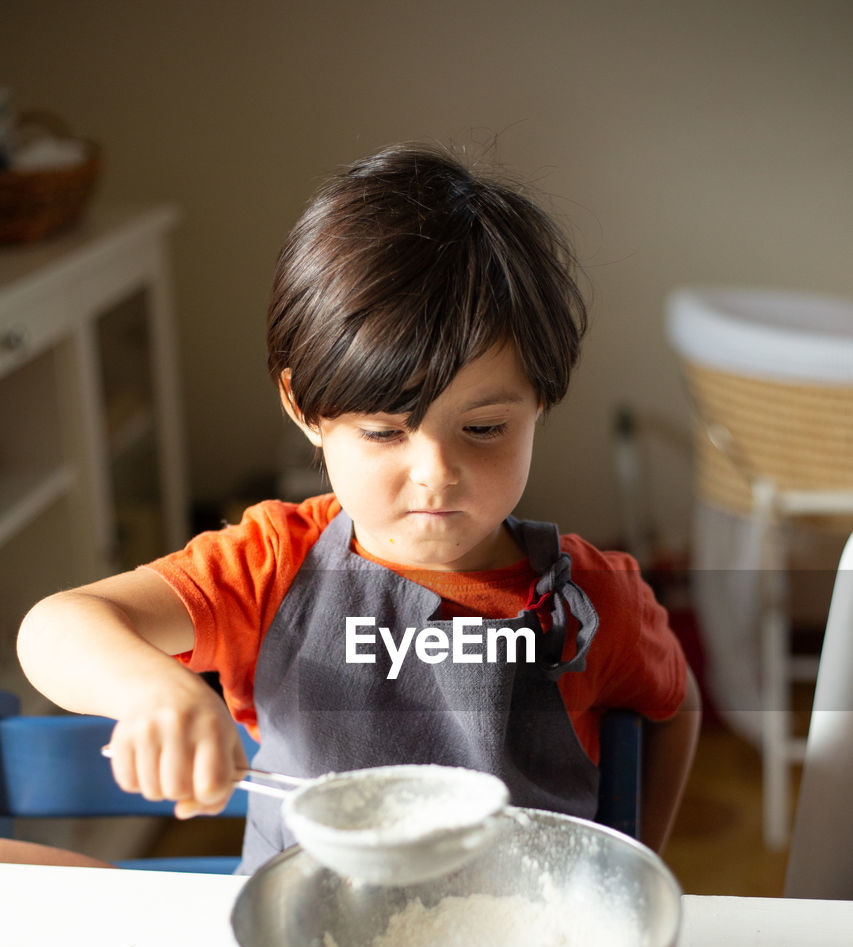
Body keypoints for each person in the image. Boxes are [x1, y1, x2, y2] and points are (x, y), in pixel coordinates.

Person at [16, 143, 700, 874]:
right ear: (305, 409)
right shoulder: (269, 568)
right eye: (383, 431)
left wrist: (634, 863)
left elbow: (673, 705)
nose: (436, 474)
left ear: (540, 400)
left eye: (484, 429)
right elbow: (55, 628)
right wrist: (157, 692)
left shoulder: (595, 602)